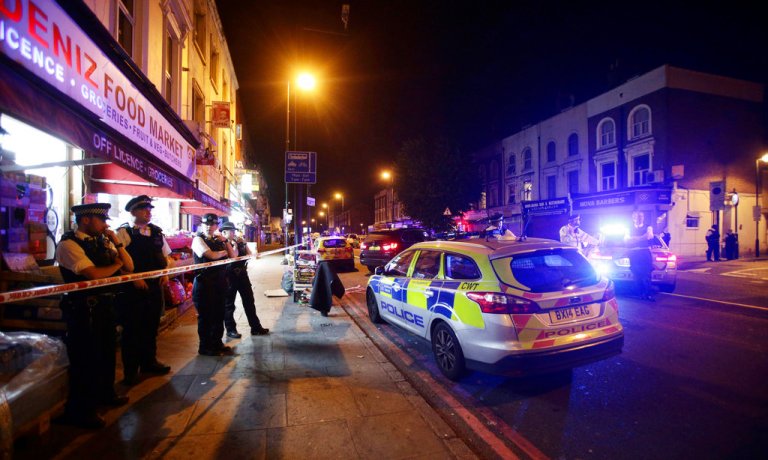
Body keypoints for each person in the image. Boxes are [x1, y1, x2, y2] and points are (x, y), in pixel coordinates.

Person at [55, 203, 134, 429]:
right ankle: (81, 411)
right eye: (102, 220)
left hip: (105, 307)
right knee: (85, 359)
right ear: (86, 220)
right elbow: (93, 275)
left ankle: (105, 394)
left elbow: (129, 266)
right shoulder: (69, 244)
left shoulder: (101, 242)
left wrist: (117, 245)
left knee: (107, 353)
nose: (106, 224)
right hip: (83, 310)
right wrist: (115, 265)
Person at [115, 195, 173, 386]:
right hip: (134, 290)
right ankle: (131, 371)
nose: (148, 212)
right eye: (144, 209)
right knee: (132, 330)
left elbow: (166, 257)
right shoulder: (124, 232)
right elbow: (117, 261)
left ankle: (150, 361)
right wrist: (134, 279)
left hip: (155, 288)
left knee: (151, 326)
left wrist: (165, 273)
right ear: (133, 212)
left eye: (149, 209)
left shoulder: (156, 232)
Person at [191, 213, 237, 356]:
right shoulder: (198, 239)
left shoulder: (218, 240)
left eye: (212, 224)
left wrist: (226, 241)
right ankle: (205, 346)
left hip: (219, 282)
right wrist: (223, 252)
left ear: (217, 226)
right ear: (202, 225)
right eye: (206, 224)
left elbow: (233, 256)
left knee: (219, 314)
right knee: (206, 316)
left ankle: (217, 343)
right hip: (204, 283)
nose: (209, 227)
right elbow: (211, 255)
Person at [220, 222, 269, 338]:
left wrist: (244, 244)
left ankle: (255, 327)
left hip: (242, 274)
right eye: (231, 231)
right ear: (224, 232)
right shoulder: (222, 244)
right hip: (229, 276)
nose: (233, 233)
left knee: (249, 301)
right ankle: (231, 330)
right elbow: (234, 256)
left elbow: (251, 254)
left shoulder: (238, 242)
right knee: (229, 304)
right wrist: (235, 246)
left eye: (233, 231)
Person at [626, 211, 656, 301]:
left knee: (647, 274)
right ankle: (639, 294)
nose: (640, 218)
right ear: (633, 218)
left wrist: (634, 238)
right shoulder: (628, 228)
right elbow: (627, 240)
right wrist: (641, 237)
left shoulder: (648, 227)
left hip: (644, 252)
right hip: (634, 253)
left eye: (641, 216)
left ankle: (648, 294)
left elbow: (649, 236)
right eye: (637, 216)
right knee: (636, 274)